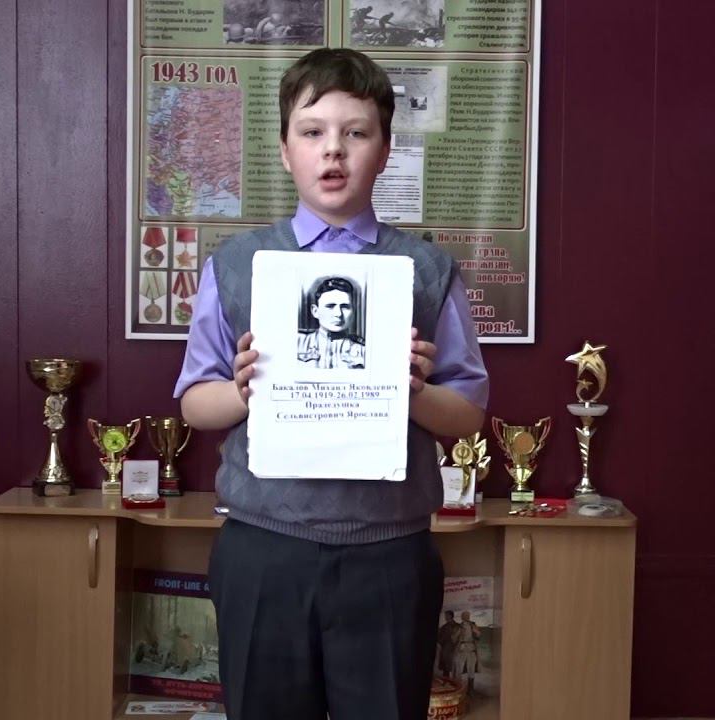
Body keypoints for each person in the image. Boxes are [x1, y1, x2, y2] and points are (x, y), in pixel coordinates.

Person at [174, 47, 488, 720]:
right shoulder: (236, 264)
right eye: (312, 131)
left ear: (385, 151)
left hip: (388, 554)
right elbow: (196, 402)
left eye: (357, 132)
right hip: (264, 548)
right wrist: (241, 389)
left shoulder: (427, 269)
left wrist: (414, 391)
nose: (333, 149)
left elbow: (467, 412)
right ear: (285, 150)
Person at [297, 276, 366, 368]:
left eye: (345, 307)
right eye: (330, 306)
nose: (338, 314)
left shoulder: (363, 349)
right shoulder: (298, 342)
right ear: (315, 311)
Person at [436, 609, 460, 678]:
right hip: (445, 649)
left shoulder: (457, 626)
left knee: (455, 667)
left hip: (454, 649)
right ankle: (446, 680)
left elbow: (459, 638)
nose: (445, 617)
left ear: (450, 616)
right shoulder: (443, 627)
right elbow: (439, 637)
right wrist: (440, 643)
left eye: (446, 615)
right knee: (445, 667)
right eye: (445, 615)